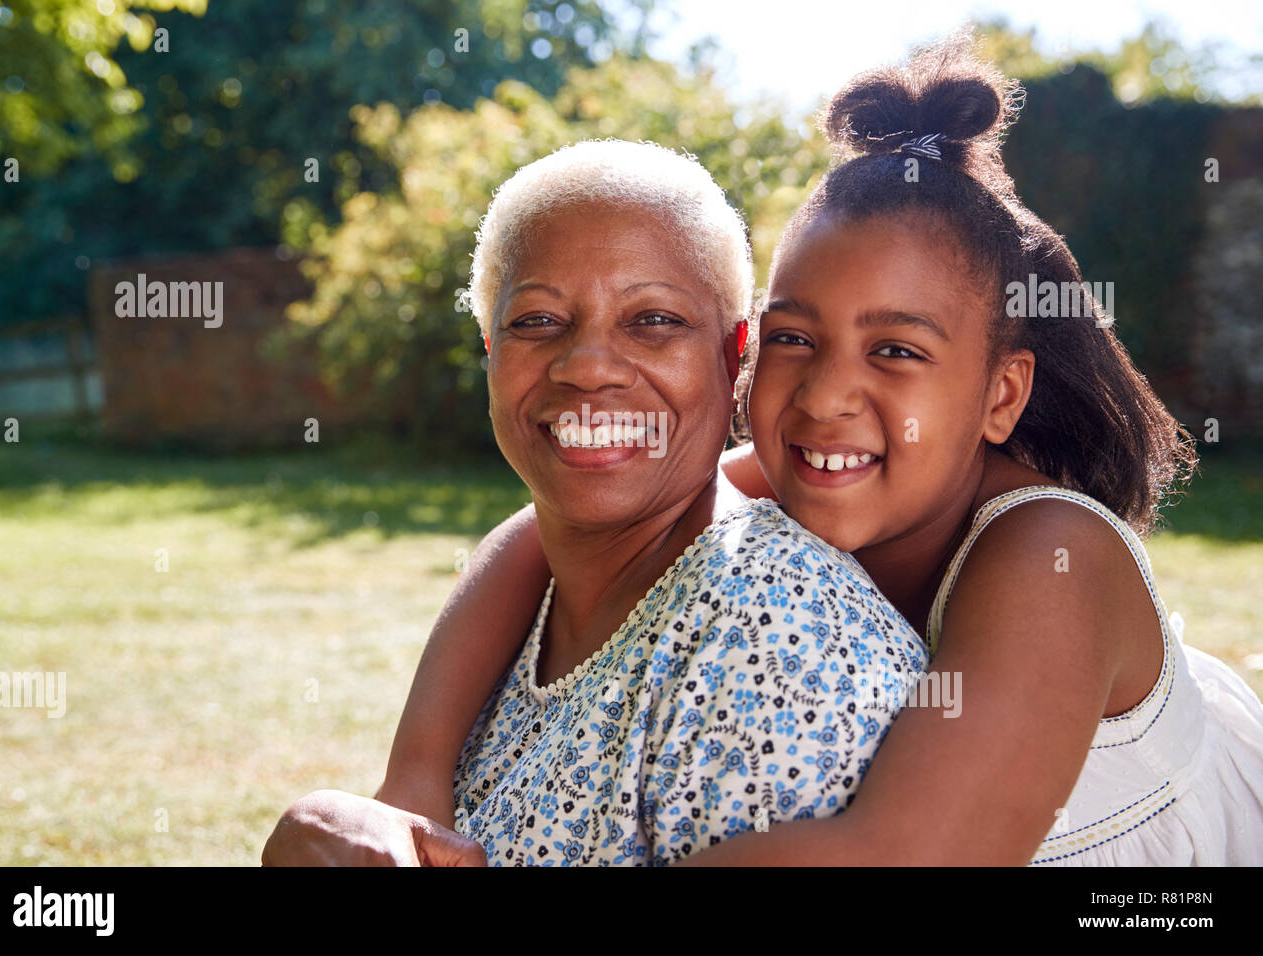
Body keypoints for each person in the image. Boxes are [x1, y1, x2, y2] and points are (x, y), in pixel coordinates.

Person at [337, 35, 1263, 866]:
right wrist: (415, 779)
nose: (824, 397)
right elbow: (531, 538)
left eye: (896, 351)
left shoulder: (1051, 557)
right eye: (794, 338)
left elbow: (896, 856)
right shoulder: (803, 470)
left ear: (1000, 394)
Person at [262, 139, 928, 866]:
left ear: (735, 354)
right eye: (538, 322)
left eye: (654, 321)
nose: (586, 368)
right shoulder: (531, 595)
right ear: (490, 347)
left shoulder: (774, 634)